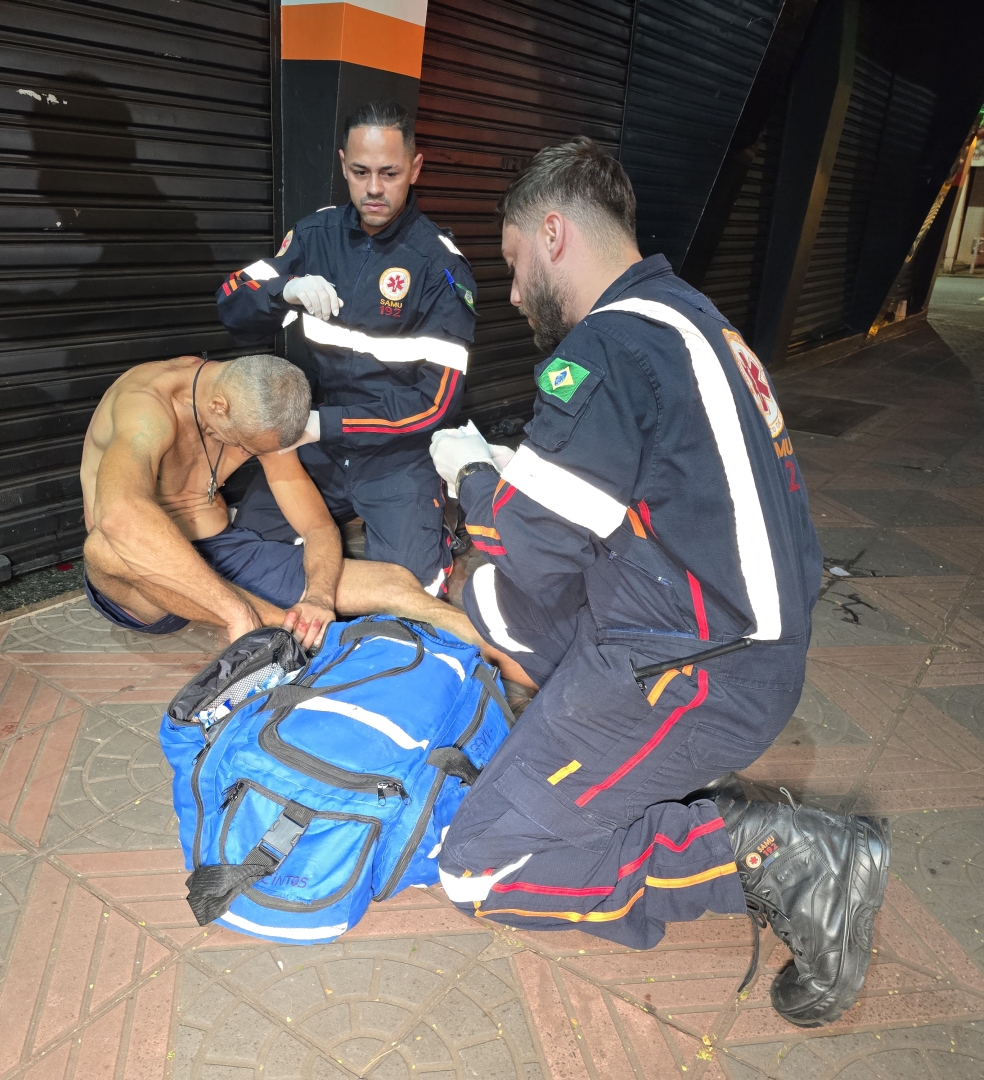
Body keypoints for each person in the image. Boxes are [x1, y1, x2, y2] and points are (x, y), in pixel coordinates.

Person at [427, 138, 890, 1028]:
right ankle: (647, 797)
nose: (515, 293)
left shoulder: (608, 346)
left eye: (516, 263)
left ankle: (769, 854)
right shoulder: (693, 320)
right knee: (534, 651)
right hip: (739, 645)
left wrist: (469, 474)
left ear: (555, 232)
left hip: (687, 669)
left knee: (478, 864)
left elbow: (523, 545)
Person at [79, 352, 517, 666]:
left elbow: (316, 524)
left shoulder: (257, 412)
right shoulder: (146, 408)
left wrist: (319, 598)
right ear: (218, 409)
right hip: (142, 582)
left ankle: (521, 658)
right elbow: (120, 517)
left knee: (395, 581)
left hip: (222, 547)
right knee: (105, 545)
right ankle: (286, 633)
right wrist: (237, 612)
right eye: (246, 447)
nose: (248, 455)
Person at [215, 100, 477, 596]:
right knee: (243, 553)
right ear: (342, 165)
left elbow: (438, 402)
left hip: (395, 454)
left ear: (415, 168)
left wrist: (320, 424)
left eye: (389, 172)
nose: (374, 188)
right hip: (317, 451)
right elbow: (230, 302)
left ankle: (429, 526)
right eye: (360, 172)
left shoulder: (440, 268)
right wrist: (281, 291)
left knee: (410, 590)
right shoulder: (314, 237)